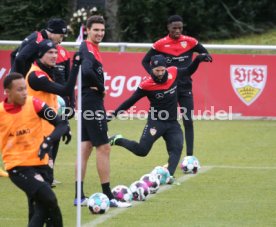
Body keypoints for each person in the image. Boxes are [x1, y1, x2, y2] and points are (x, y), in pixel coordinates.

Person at [109, 54, 212, 180]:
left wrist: (198, 59)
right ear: (151, 69)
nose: (160, 73)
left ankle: (168, 176)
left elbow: (188, 71)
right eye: (157, 70)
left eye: (162, 70)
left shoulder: (173, 72)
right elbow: (130, 101)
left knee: (177, 148)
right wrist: (113, 115)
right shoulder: (146, 85)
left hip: (172, 123)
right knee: (142, 151)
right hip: (156, 122)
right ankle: (118, 139)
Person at [0, 72, 71, 226]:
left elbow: (61, 124)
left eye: (25, 89)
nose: (24, 93)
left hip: (41, 164)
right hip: (18, 167)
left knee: (41, 209)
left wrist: (48, 142)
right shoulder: (1, 113)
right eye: (19, 90)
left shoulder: (34, 103)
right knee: (49, 199)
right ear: (7, 92)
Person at [75, 15, 131, 208]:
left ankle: (79, 196)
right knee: (104, 147)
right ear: (87, 30)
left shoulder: (89, 47)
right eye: (96, 30)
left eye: (102, 30)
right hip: (91, 101)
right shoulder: (88, 48)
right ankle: (109, 196)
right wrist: (101, 87)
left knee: (85, 147)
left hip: (86, 100)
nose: (99, 33)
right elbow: (88, 70)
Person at [142, 15, 212, 157]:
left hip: (185, 88)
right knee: (166, 121)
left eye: (180, 28)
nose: (178, 30)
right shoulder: (160, 44)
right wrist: (154, 75)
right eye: (174, 28)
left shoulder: (190, 42)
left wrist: (205, 57)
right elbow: (145, 61)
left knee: (188, 120)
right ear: (168, 28)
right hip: (168, 90)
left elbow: (205, 53)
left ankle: (190, 157)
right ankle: (156, 149)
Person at [25, 39, 80, 186]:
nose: (54, 55)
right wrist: (75, 66)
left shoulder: (45, 72)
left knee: (47, 178)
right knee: (40, 183)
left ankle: (48, 178)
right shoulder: (36, 76)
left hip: (50, 126)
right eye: (50, 52)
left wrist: (64, 124)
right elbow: (65, 91)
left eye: (56, 52)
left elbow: (54, 101)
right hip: (38, 130)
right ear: (40, 55)